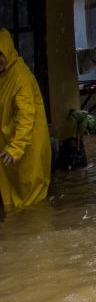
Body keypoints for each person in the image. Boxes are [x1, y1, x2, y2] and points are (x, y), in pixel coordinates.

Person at [0, 28, 52, 213]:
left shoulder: (19, 77)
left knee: (32, 201)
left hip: (27, 147)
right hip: (11, 147)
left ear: (7, 50)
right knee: (16, 203)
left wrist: (17, 146)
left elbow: (26, 115)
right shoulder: (4, 76)